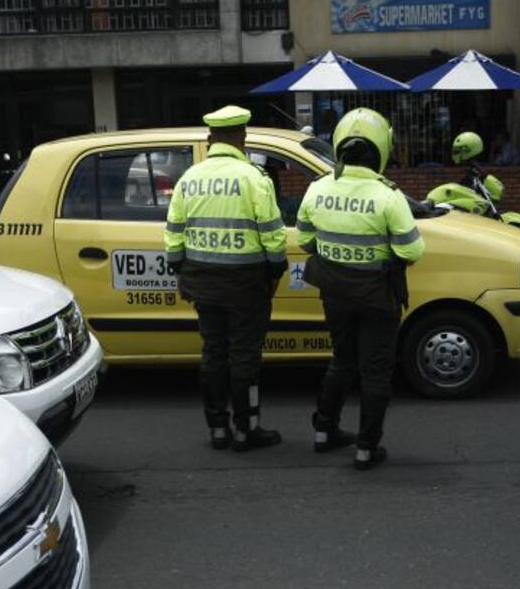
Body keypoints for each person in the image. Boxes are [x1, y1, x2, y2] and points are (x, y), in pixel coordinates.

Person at [296, 108, 425, 471]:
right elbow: (412, 251)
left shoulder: (317, 188)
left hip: (335, 294)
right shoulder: (388, 196)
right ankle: (367, 448)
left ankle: (324, 430)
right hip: (377, 297)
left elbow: (306, 240)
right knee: (375, 372)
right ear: (382, 149)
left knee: (342, 360)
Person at [165, 105, 289, 452]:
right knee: (245, 357)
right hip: (246, 284)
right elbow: (273, 234)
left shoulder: (189, 179)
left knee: (213, 353)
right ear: (241, 137)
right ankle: (246, 430)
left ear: (211, 139)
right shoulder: (254, 179)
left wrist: (178, 269)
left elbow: (174, 232)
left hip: (202, 282)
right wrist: (275, 271)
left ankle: (218, 428)